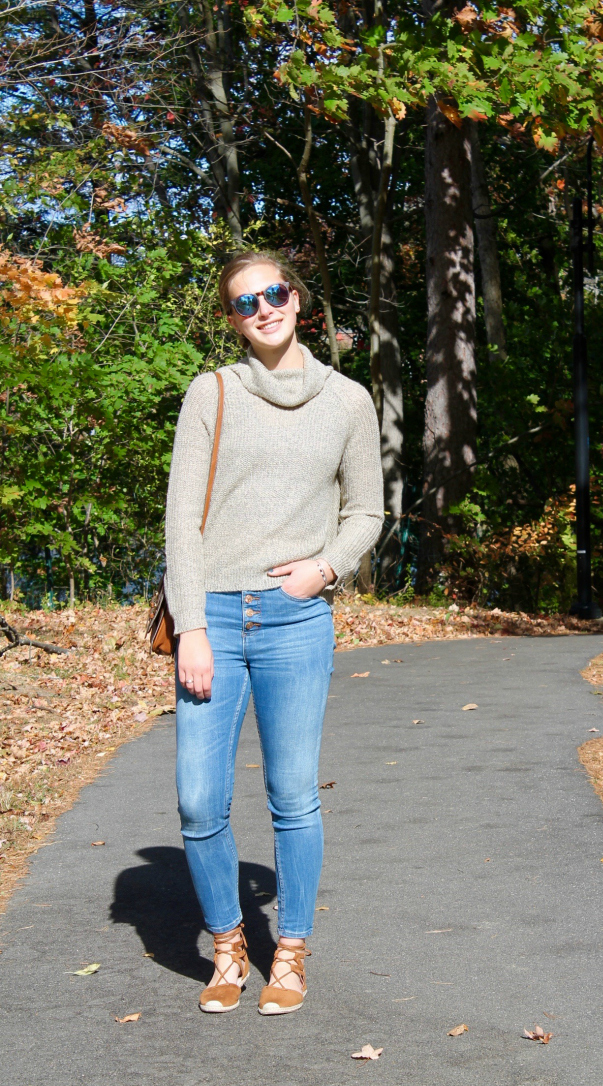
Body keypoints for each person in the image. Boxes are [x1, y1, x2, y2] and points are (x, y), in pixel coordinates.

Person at [165, 250, 383, 1014]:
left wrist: (324, 570)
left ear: (299, 298)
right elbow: (182, 522)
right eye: (244, 301)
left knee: (293, 795)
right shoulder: (211, 393)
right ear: (232, 318)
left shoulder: (348, 400)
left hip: (296, 618)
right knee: (199, 800)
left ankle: (288, 950)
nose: (263, 307)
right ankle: (228, 946)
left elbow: (367, 511)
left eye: (274, 292)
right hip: (217, 616)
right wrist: (190, 625)